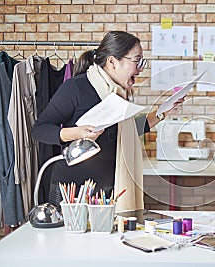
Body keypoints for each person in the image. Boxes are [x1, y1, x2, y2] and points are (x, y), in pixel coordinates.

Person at [32, 31, 181, 212]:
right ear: (112, 62)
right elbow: (39, 129)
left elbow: (125, 131)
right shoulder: (76, 88)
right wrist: (78, 133)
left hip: (108, 189)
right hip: (73, 190)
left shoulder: (120, 94)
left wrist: (162, 113)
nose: (141, 68)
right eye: (137, 61)